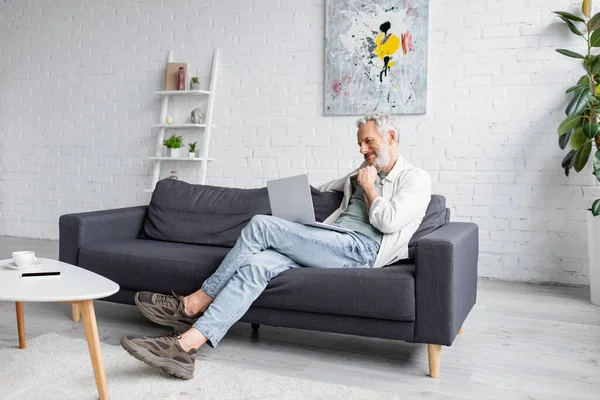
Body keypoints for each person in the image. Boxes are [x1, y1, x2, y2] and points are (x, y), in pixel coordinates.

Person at [120, 112, 432, 380]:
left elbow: (389, 222)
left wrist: (367, 186)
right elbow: (326, 188)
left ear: (390, 137)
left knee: (261, 225)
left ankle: (193, 303)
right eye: (360, 144)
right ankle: (185, 347)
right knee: (257, 265)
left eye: (368, 142)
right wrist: (301, 197)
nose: (363, 149)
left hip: (359, 250)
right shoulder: (360, 173)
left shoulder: (415, 179)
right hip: (330, 242)